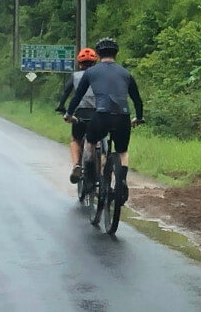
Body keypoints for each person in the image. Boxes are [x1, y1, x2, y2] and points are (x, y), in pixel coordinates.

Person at [64, 37, 144, 205]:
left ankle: (91, 176)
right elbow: (137, 100)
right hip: (123, 116)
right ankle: (122, 181)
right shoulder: (125, 73)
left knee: (90, 143)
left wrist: (69, 114)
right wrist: (138, 117)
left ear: (99, 54)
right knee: (122, 151)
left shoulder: (90, 72)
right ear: (116, 53)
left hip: (101, 115)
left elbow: (77, 96)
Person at [56, 48, 98, 183]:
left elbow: (66, 93)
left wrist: (61, 106)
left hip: (80, 112)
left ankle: (77, 165)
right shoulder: (100, 75)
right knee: (98, 139)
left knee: (75, 140)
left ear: (80, 63)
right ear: (95, 62)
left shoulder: (75, 76)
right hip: (99, 113)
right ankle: (101, 167)